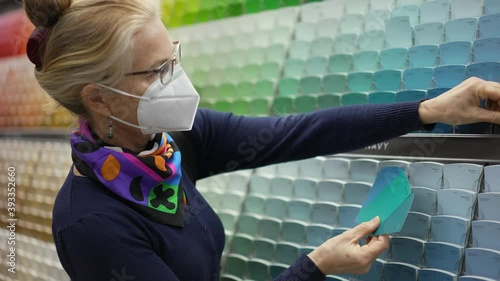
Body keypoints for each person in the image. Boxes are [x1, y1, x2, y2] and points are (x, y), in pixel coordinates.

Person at [22, 0, 500, 280]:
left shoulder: (168, 143)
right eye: (159, 70)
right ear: (100, 100)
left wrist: (427, 111)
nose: (179, 78)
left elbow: (298, 132)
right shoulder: (90, 224)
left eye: (175, 58)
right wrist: (316, 266)